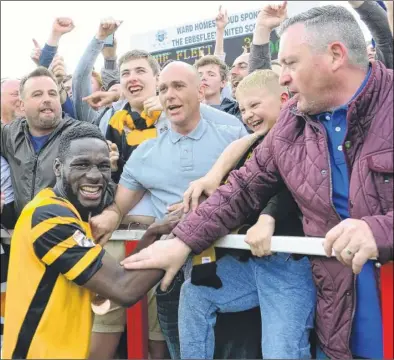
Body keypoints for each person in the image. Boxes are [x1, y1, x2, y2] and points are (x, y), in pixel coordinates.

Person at [121, 5, 393, 360]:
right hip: (338, 330)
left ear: (335, 55)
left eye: (291, 63)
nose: (282, 77)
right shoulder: (291, 124)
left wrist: (381, 230)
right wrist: (183, 240)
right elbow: (243, 189)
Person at [90, 61, 247, 359]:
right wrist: (108, 218)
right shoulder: (145, 154)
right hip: (173, 276)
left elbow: (257, 187)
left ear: (200, 92)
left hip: (234, 267)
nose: (169, 95)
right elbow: (119, 206)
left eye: (178, 86)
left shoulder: (232, 135)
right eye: (163, 89)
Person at [2, 123, 180, 359]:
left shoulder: (68, 212)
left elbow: (117, 275)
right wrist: (181, 242)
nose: (95, 175)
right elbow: (123, 289)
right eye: (82, 164)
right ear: (58, 167)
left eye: (103, 166)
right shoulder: (50, 218)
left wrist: (152, 235)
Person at [178, 70, 315, 359]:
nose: (248, 114)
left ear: (284, 99)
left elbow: (296, 186)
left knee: (281, 352)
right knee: (195, 294)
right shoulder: (249, 146)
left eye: (254, 105)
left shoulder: (309, 135)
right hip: (251, 265)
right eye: (242, 109)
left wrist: (269, 217)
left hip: (291, 265)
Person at [0, 67, 119, 216]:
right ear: (22, 104)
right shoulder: (9, 134)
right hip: (23, 234)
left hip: (68, 231)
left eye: (52, 93)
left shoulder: (83, 135)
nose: (47, 99)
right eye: (37, 94)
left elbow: (107, 188)